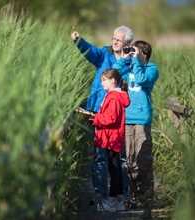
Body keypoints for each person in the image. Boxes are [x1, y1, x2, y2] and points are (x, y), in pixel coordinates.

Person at [71, 25, 134, 203]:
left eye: (118, 39)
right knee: (100, 155)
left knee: (119, 157)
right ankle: (100, 193)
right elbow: (90, 52)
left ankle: (121, 193)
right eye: (113, 38)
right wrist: (78, 41)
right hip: (99, 109)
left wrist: (131, 58)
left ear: (127, 43)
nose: (114, 41)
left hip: (119, 114)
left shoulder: (131, 63)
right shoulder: (104, 55)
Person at [113, 40, 159, 208]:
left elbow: (140, 79)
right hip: (127, 119)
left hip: (141, 119)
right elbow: (113, 76)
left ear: (144, 54)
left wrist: (136, 60)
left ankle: (146, 198)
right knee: (130, 161)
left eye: (136, 51)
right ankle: (134, 198)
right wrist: (123, 58)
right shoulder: (130, 67)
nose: (133, 53)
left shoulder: (151, 69)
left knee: (143, 159)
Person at [88, 68, 130, 212]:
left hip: (111, 137)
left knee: (114, 169)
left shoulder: (113, 97)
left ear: (113, 81)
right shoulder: (114, 96)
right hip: (113, 136)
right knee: (116, 167)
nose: (101, 83)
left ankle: (111, 201)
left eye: (103, 80)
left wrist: (95, 118)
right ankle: (119, 199)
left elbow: (111, 118)